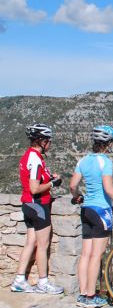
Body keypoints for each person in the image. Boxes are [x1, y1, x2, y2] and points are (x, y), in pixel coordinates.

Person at [69, 125, 113, 308]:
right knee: (96, 255)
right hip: (101, 211)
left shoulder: (83, 160)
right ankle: (91, 295)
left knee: (85, 254)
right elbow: (109, 189)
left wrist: (77, 196)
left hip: (86, 209)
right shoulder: (105, 162)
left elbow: (72, 186)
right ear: (108, 143)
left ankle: (82, 294)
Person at [11, 123, 64, 295]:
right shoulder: (35, 159)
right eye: (48, 141)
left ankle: (19, 280)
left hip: (28, 204)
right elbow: (34, 188)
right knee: (43, 245)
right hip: (38, 205)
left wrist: (49, 178)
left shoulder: (29, 156)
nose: (50, 144)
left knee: (31, 242)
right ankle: (43, 282)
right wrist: (52, 183)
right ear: (41, 141)